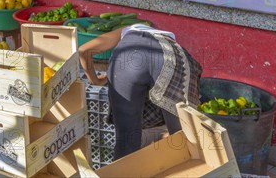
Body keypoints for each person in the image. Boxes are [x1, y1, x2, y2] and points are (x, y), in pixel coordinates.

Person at [79, 23, 202, 159]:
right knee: (184, 138)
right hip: (169, 60)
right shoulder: (168, 40)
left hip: (127, 60)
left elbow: (84, 50)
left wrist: (95, 80)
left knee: (126, 141)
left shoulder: (130, 29)